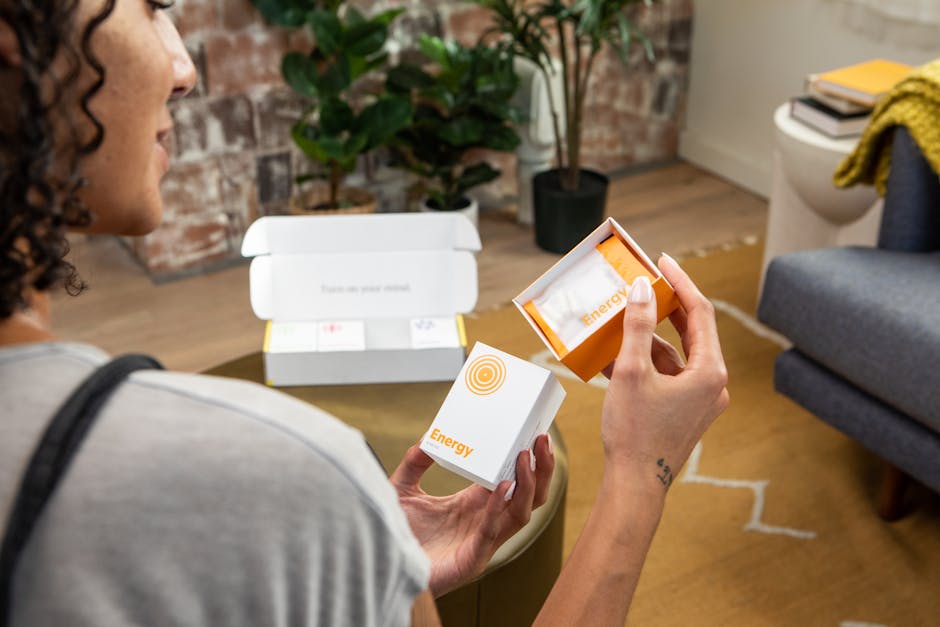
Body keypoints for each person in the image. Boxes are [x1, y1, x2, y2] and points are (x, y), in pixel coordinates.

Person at [0, 1, 729, 625]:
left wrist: (369, 558)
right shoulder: (289, 467)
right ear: (14, 46)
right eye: (150, 3)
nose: (183, 66)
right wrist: (643, 467)